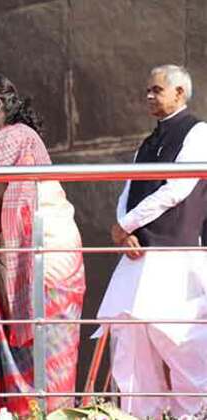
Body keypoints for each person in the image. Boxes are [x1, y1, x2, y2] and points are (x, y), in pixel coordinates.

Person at [0, 73, 85, 417]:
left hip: (42, 260)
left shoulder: (13, 136)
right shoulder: (24, 138)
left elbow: (11, 188)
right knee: (44, 356)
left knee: (40, 355)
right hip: (49, 257)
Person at [96, 64, 207, 417]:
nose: (148, 95)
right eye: (147, 89)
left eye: (156, 90)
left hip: (175, 257)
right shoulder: (148, 142)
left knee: (182, 345)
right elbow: (128, 188)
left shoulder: (198, 132)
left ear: (180, 93)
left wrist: (128, 223)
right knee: (130, 349)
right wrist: (123, 228)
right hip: (137, 259)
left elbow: (178, 187)